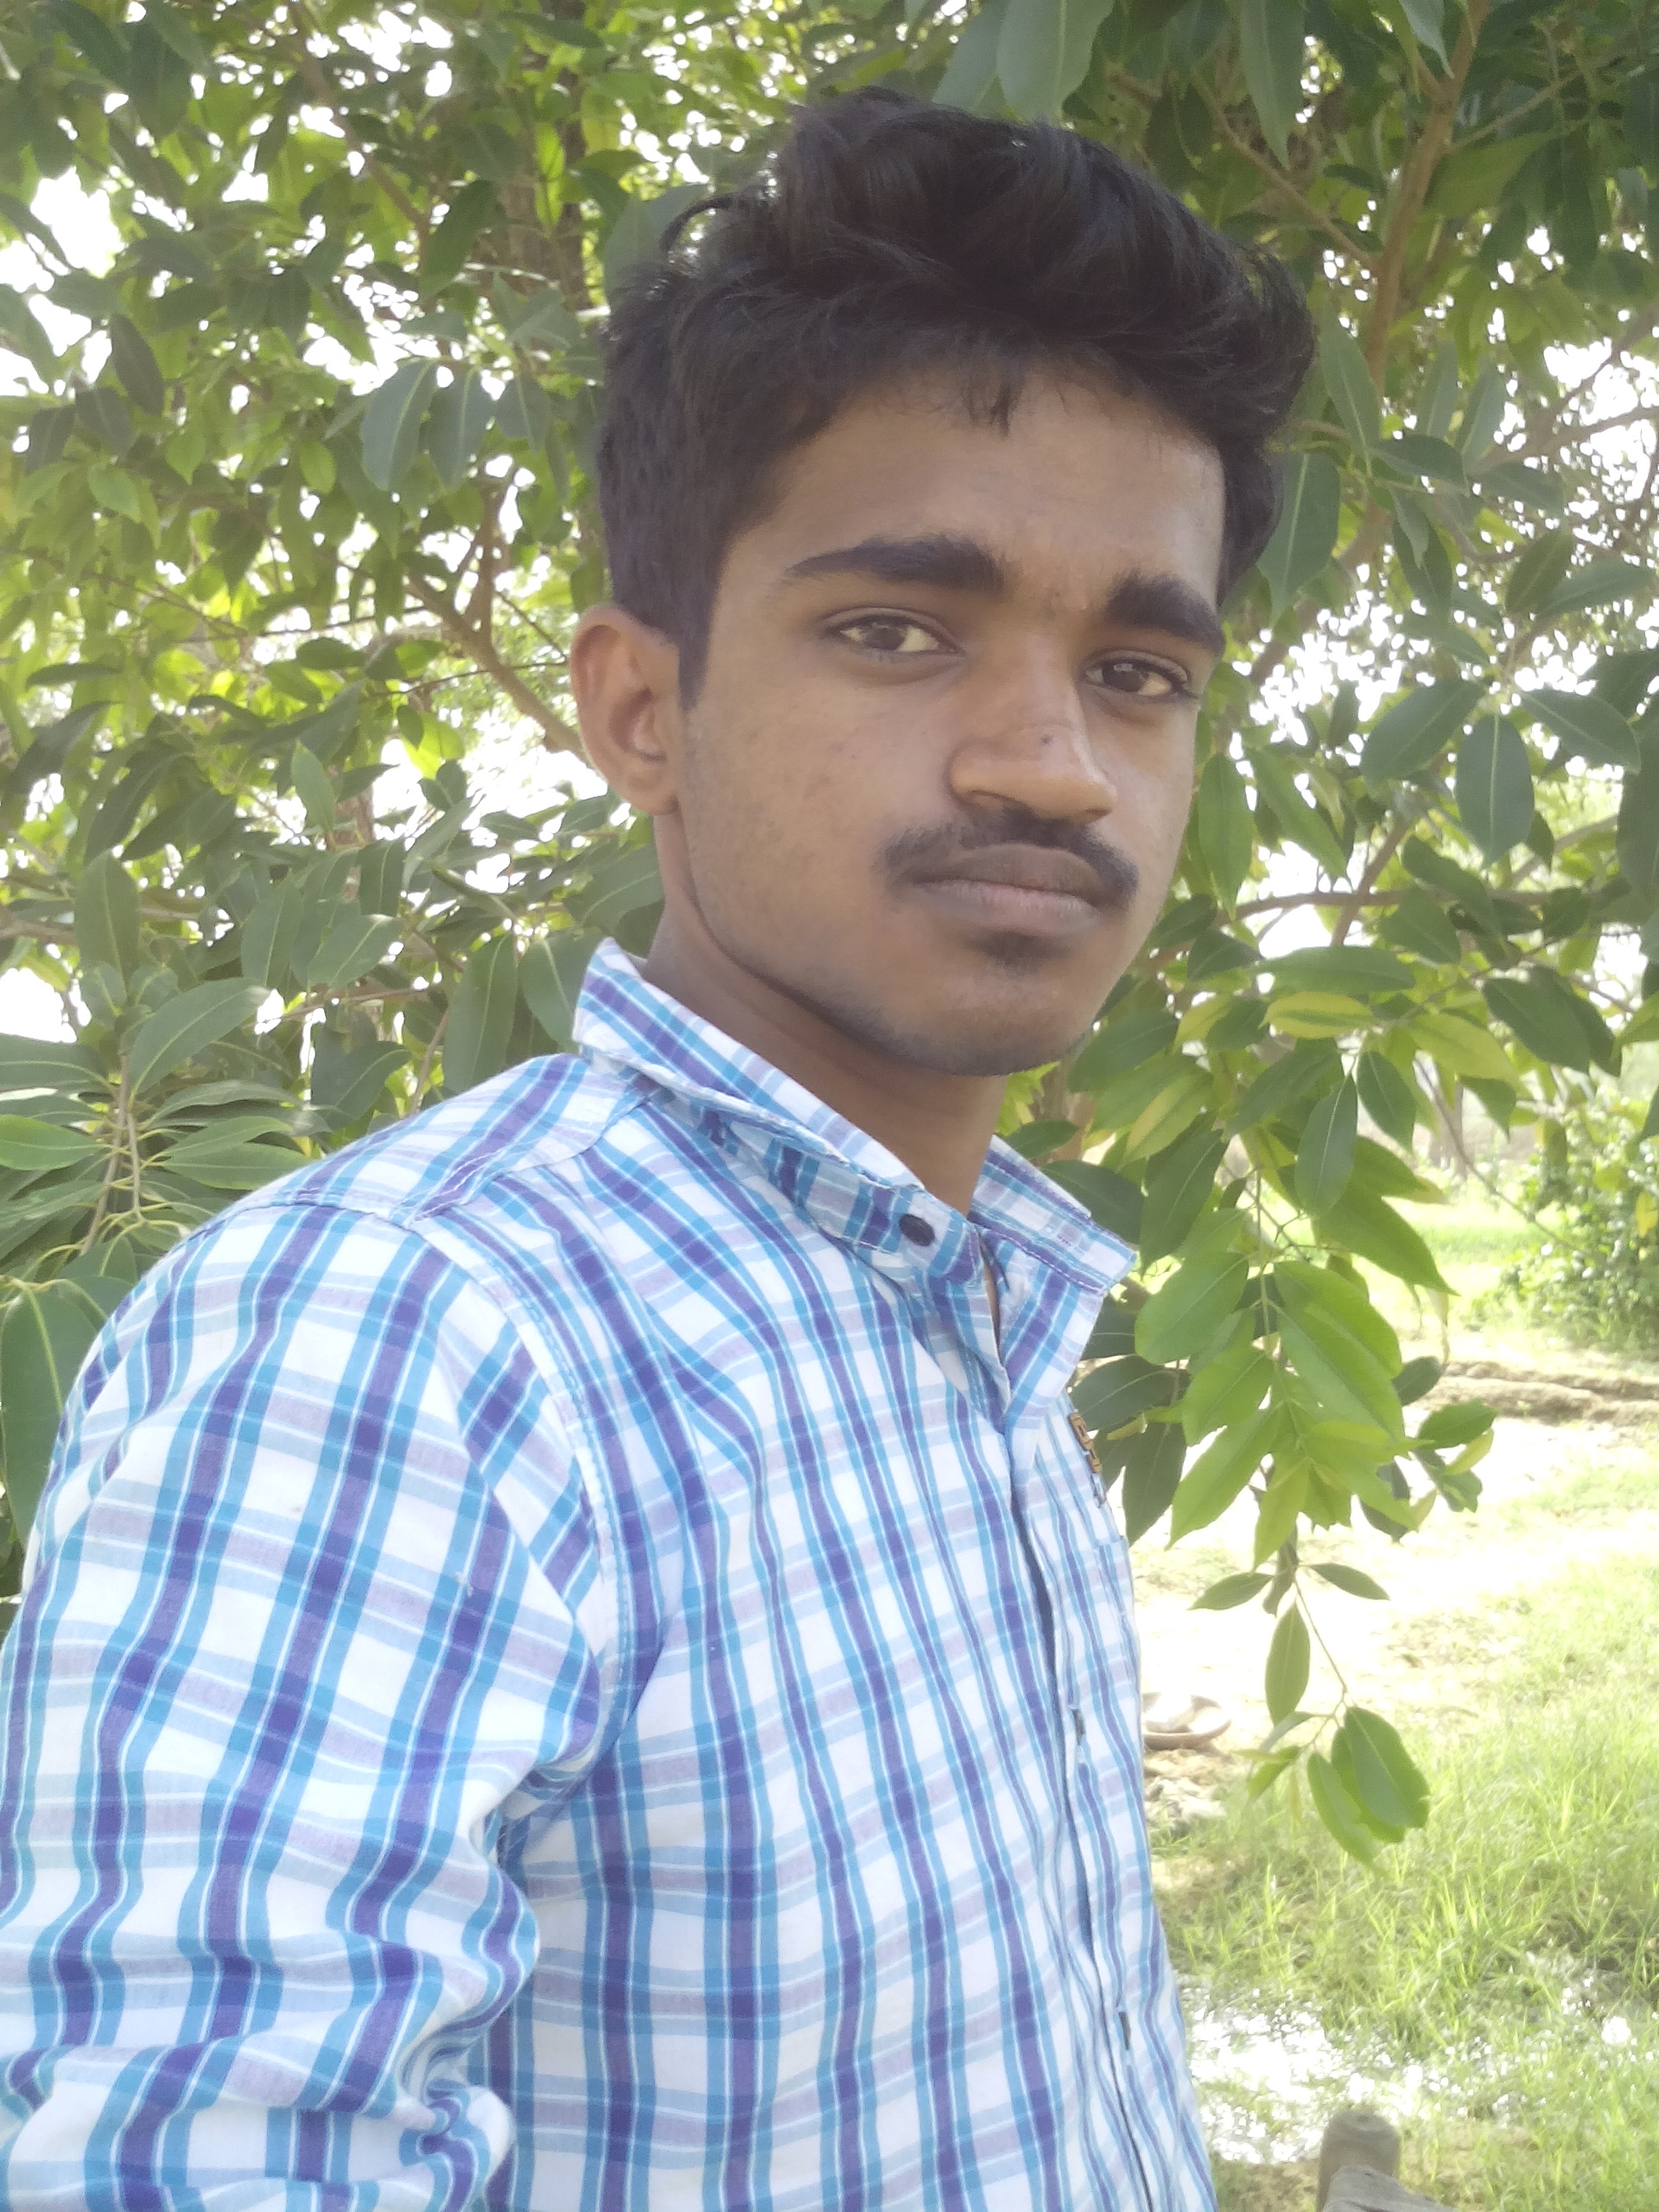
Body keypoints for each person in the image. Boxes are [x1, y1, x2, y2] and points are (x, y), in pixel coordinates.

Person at [0, 89, 1312, 2211]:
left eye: (1139, 666)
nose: (1053, 764)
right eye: (896, 629)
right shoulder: (407, 1347)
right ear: (635, 710)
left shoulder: (976, 1312)